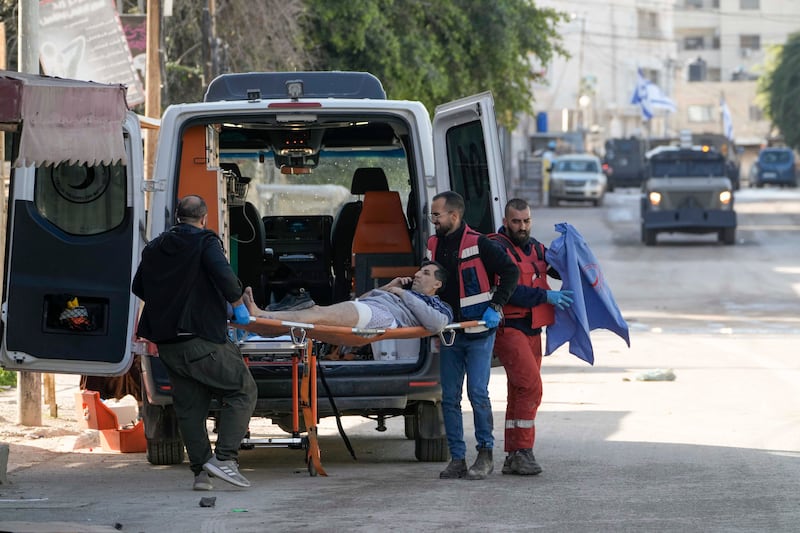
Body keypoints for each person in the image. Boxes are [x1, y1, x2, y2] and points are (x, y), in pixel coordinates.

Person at [132, 195, 257, 491]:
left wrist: (170, 298)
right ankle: (225, 458)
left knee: (190, 408)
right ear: (204, 218)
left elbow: (138, 286)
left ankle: (202, 474)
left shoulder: (156, 246)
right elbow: (224, 276)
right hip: (200, 338)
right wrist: (237, 304)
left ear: (177, 217)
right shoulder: (205, 242)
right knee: (243, 390)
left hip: (168, 345)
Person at [426, 191, 520, 480]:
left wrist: (496, 305)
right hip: (450, 333)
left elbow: (510, 272)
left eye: (437, 215)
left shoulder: (480, 243)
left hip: (479, 330)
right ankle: (457, 458)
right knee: (450, 397)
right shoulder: (433, 244)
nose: (433, 220)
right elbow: (428, 277)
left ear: (454, 216)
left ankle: (485, 453)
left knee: (477, 393)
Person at [489, 198, 574, 476]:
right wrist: (545, 295)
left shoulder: (537, 247)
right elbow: (507, 290)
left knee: (519, 391)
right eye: (516, 221)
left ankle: (514, 455)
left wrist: (571, 251)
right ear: (505, 222)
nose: (522, 226)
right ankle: (523, 451)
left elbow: (560, 270)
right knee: (531, 387)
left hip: (533, 328)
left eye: (526, 221)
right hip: (509, 326)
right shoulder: (496, 249)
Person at [243, 261, 453, 334]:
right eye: (419, 271)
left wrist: (402, 294)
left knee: (316, 314)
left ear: (438, 284)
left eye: (425, 273)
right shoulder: (401, 292)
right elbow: (362, 299)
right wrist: (390, 287)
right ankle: (264, 321)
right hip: (369, 307)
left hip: (384, 316)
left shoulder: (440, 306)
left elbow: (436, 325)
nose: (417, 274)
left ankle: (260, 315)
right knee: (315, 316)